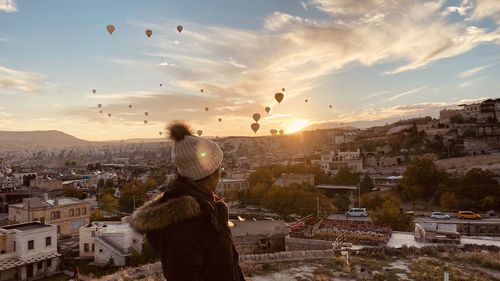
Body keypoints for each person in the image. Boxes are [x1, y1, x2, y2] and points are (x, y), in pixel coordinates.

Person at [130, 121, 245, 281]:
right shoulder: (188, 223)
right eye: (220, 168)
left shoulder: (205, 208)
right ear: (210, 172)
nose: (221, 173)